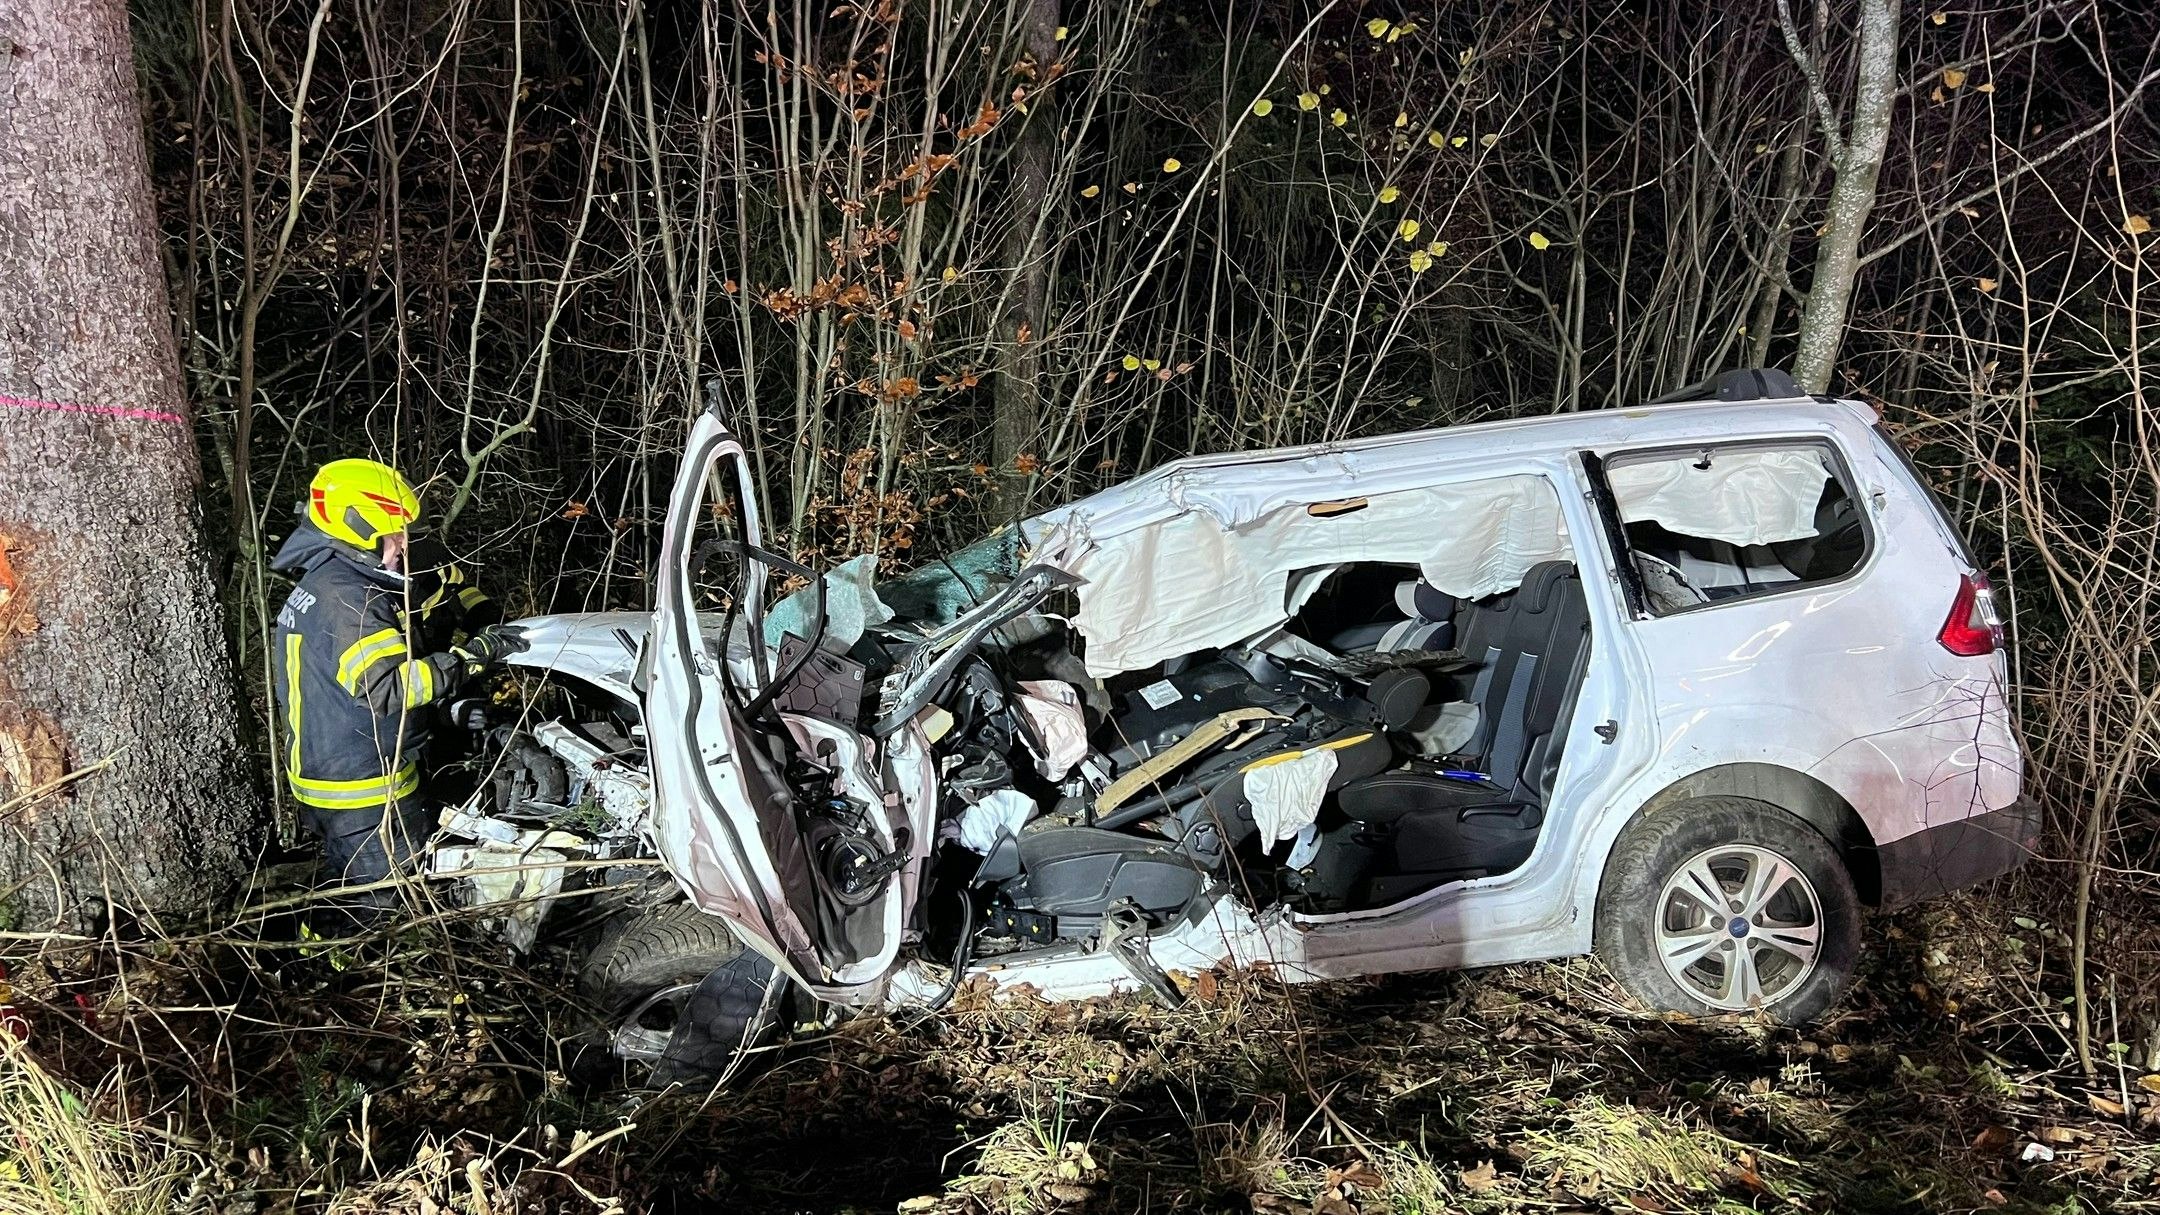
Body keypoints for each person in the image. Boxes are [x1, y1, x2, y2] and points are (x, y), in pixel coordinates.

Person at [269, 458, 527, 912]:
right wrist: (470, 659)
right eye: (394, 534)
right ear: (357, 528)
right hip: (364, 790)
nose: (404, 544)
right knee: (388, 908)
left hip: (333, 776)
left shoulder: (329, 579)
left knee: (345, 888)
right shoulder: (351, 599)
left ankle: (321, 957)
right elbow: (390, 689)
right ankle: (364, 975)